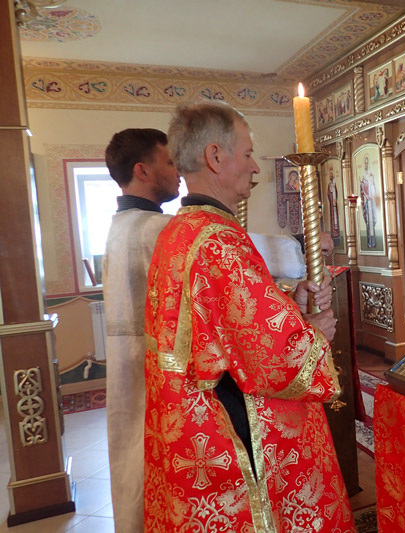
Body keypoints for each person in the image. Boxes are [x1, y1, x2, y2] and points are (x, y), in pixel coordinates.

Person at [144, 101, 352, 531]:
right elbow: (275, 360)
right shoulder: (218, 240)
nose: (256, 167)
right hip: (228, 426)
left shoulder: (179, 231)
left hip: (189, 423)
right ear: (215, 157)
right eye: (248, 153)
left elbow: (222, 326)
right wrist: (313, 332)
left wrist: (289, 303)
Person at [102, 127, 181, 533]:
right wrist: (299, 250)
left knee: (131, 458)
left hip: (126, 370)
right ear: (142, 171)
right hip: (153, 370)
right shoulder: (156, 229)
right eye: (169, 161)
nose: (179, 170)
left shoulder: (120, 225)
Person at [360, 155, 378, 248]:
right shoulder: (363, 175)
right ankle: (369, 243)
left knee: (372, 222)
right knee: (368, 222)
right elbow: (362, 188)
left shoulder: (371, 174)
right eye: (365, 163)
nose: (366, 165)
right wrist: (366, 196)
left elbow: (373, 186)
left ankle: (373, 242)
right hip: (367, 202)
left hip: (372, 202)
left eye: (367, 163)